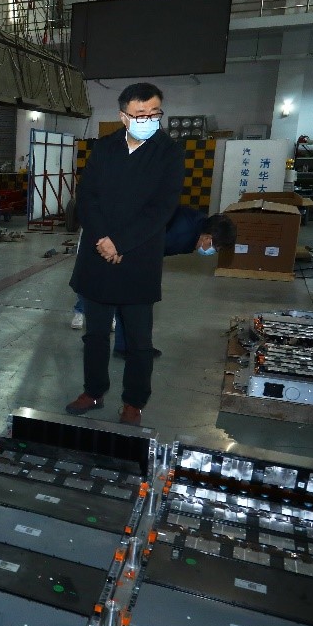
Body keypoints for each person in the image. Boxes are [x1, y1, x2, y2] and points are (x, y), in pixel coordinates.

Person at [65, 82, 183, 427]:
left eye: (154, 113)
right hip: (98, 255)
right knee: (95, 335)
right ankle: (93, 391)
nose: (148, 119)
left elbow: (162, 208)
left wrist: (120, 243)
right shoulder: (104, 148)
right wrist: (103, 239)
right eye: (140, 114)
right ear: (123, 116)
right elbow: (87, 197)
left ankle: (134, 401)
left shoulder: (169, 152)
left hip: (138, 257)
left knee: (138, 339)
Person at [73, 208, 238, 356]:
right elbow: (145, 240)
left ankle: (129, 346)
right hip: (120, 245)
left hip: (134, 246)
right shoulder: (182, 232)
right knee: (114, 299)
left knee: (132, 300)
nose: (214, 252)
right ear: (208, 237)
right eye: (216, 248)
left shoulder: (197, 226)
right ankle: (116, 346)